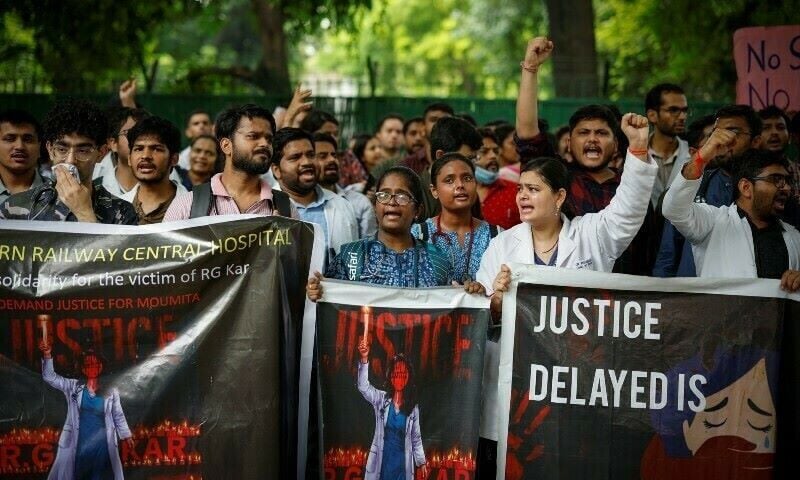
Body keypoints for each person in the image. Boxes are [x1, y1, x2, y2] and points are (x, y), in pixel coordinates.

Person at [476, 37, 657, 480]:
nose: (523, 197)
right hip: (522, 382)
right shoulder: (503, 243)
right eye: (520, 189)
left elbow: (630, 207)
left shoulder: (594, 234)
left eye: (533, 190)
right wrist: (494, 301)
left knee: (580, 461)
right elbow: (483, 309)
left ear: (559, 197)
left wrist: (636, 148)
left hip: (582, 376)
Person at [307, 167, 488, 294]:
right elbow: (332, 307)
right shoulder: (351, 255)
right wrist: (319, 291)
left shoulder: (436, 258)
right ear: (375, 205)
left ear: (417, 210)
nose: (392, 202)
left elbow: (451, 310)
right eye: (384, 195)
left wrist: (471, 295)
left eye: (402, 196)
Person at [662, 145, 800, 287]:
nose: (787, 188)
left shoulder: (795, 237)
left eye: (787, 181)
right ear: (746, 187)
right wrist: (701, 157)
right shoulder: (713, 222)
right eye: (776, 179)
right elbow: (673, 209)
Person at [0, 99, 138, 224]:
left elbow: (114, 253)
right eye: (61, 149)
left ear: (101, 153)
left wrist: (85, 213)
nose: (71, 160)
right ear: (50, 150)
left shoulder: (122, 212)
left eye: (83, 151)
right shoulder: (14, 207)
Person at [164, 104, 296, 220]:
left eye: (269, 139)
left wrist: (286, 238)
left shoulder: (286, 208)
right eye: (253, 136)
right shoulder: (187, 206)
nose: (264, 144)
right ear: (226, 146)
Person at [39, 340, 133, 480]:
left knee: (100, 475)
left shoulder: (111, 390)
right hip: (80, 442)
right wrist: (47, 355)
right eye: (88, 365)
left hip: (102, 444)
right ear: (83, 369)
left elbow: (117, 414)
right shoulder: (73, 387)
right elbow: (49, 377)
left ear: (101, 366)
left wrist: (126, 435)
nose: (92, 368)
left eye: (96, 364)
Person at [271, 127, 358, 260]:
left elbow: (354, 262)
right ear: (276, 170)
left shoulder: (342, 205)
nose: (306, 162)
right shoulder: (265, 207)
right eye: (295, 157)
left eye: (311, 155)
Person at [412, 153, 497, 282]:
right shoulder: (418, 235)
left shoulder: (496, 236)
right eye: (449, 180)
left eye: (467, 178)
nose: (460, 185)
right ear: (434, 191)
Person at [356, 334, 427, 480]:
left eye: (403, 373)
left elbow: (416, 438)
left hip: (402, 466)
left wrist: (421, 463)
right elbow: (363, 387)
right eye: (396, 373)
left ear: (408, 377)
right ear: (390, 376)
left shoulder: (412, 408)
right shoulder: (381, 399)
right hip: (381, 464)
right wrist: (364, 359)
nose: (399, 377)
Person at [121, 116, 185, 224]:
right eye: (139, 149)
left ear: (174, 159)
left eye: (156, 149)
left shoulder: (195, 209)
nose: (145, 156)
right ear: (129, 159)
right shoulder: (116, 207)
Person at [313, 132, 377, 238]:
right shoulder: (300, 205)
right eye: (323, 156)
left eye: (334, 155)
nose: (332, 160)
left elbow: (368, 246)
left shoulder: (359, 202)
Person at [645, 83, 691, 206]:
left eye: (684, 110)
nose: (682, 117)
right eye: (674, 110)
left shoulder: (693, 154)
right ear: (652, 115)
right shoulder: (634, 157)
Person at [94, 107, 150, 198]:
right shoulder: (95, 190)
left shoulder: (165, 185)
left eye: (145, 134)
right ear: (113, 143)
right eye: (130, 133)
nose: (139, 140)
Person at [475, 127, 520, 230]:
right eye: (484, 151)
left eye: (495, 151)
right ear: (470, 155)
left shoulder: (516, 192)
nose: (493, 156)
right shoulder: (459, 193)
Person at [0, 109, 44, 203]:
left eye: (27, 140)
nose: (20, 146)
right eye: (10, 139)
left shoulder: (61, 193)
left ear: (39, 148)